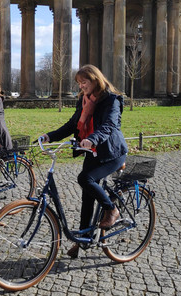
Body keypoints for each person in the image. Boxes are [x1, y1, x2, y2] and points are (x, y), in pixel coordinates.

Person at [40, 64, 128, 259]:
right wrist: (50, 136)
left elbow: (109, 125)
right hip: (92, 152)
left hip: (112, 153)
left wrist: (92, 139)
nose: (81, 86)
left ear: (95, 80)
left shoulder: (112, 100)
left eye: (84, 82)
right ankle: (83, 240)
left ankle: (112, 209)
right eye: (79, 83)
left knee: (85, 179)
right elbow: (72, 124)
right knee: (87, 196)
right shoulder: (84, 100)